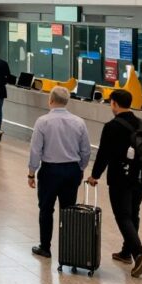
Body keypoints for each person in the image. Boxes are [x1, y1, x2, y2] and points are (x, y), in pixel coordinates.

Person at [87, 89, 142, 278]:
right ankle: (126, 253)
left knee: (123, 215)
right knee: (134, 212)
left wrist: (94, 175)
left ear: (114, 103)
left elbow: (104, 154)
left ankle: (139, 254)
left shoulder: (112, 126)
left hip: (121, 177)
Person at [27, 86, 91, 259]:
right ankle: (69, 250)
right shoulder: (79, 122)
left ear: (51, 100)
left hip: (50, 171)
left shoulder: (42, 121)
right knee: (68, 210)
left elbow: (35, 151)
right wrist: (80, 168)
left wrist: (32, 172)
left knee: (46, 209)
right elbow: (86, 151)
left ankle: (45, 247)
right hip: (71, 170)